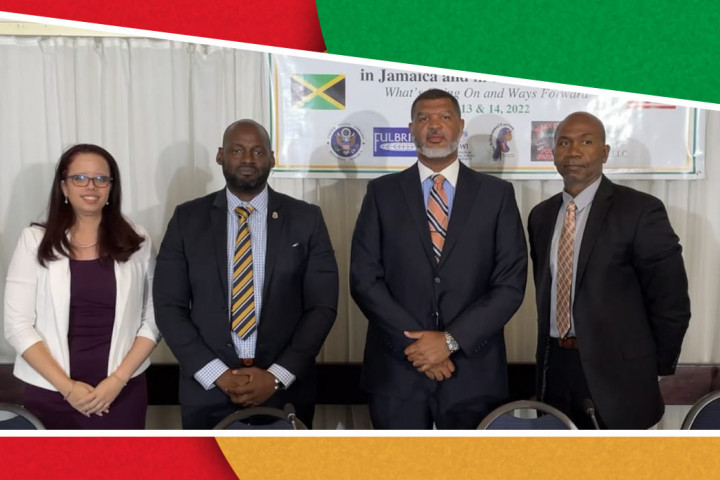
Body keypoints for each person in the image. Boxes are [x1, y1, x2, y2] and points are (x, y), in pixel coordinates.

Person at [350, 89, 527, 429]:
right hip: (398, 372)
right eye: (424, 119)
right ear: (410, 130)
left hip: (473, 374)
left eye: (444, 117)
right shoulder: (381, 193)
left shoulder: (497, 196)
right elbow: (364, 279)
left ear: (459, 127)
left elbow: (509, 285)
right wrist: (416, 347)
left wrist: (448, 341)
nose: (434, 126)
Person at [154, 119, 338, 429]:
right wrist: (218, 374)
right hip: (207, 391)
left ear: (272, 158)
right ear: (220, 156)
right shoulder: (187, 219)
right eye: (237, 150)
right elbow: (168, 307)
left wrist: (277, 376)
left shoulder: (307, 219)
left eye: (257, 151)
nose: (248, 160)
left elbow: (322, 307)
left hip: (285, 390)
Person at [527, 112, 691, 429]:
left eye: (586, 142)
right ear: (554, 153)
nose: (573, 151)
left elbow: (671, 301)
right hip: (555, 370)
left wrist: (650, 368)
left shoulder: (640, 211)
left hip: (621, 376)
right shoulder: (541, 216)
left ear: (604, 152)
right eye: (564, 142)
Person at [4, 144, 160, 429]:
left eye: (101, 179)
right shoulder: (34, 241)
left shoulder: (137, 240)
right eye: (80, 178)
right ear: (63, 186)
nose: (91, 186)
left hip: (121, 391)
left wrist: (117, 380)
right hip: (51, 391)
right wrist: (67, 387)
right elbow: (17, 325)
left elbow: (154, 317)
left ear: (111, 187)